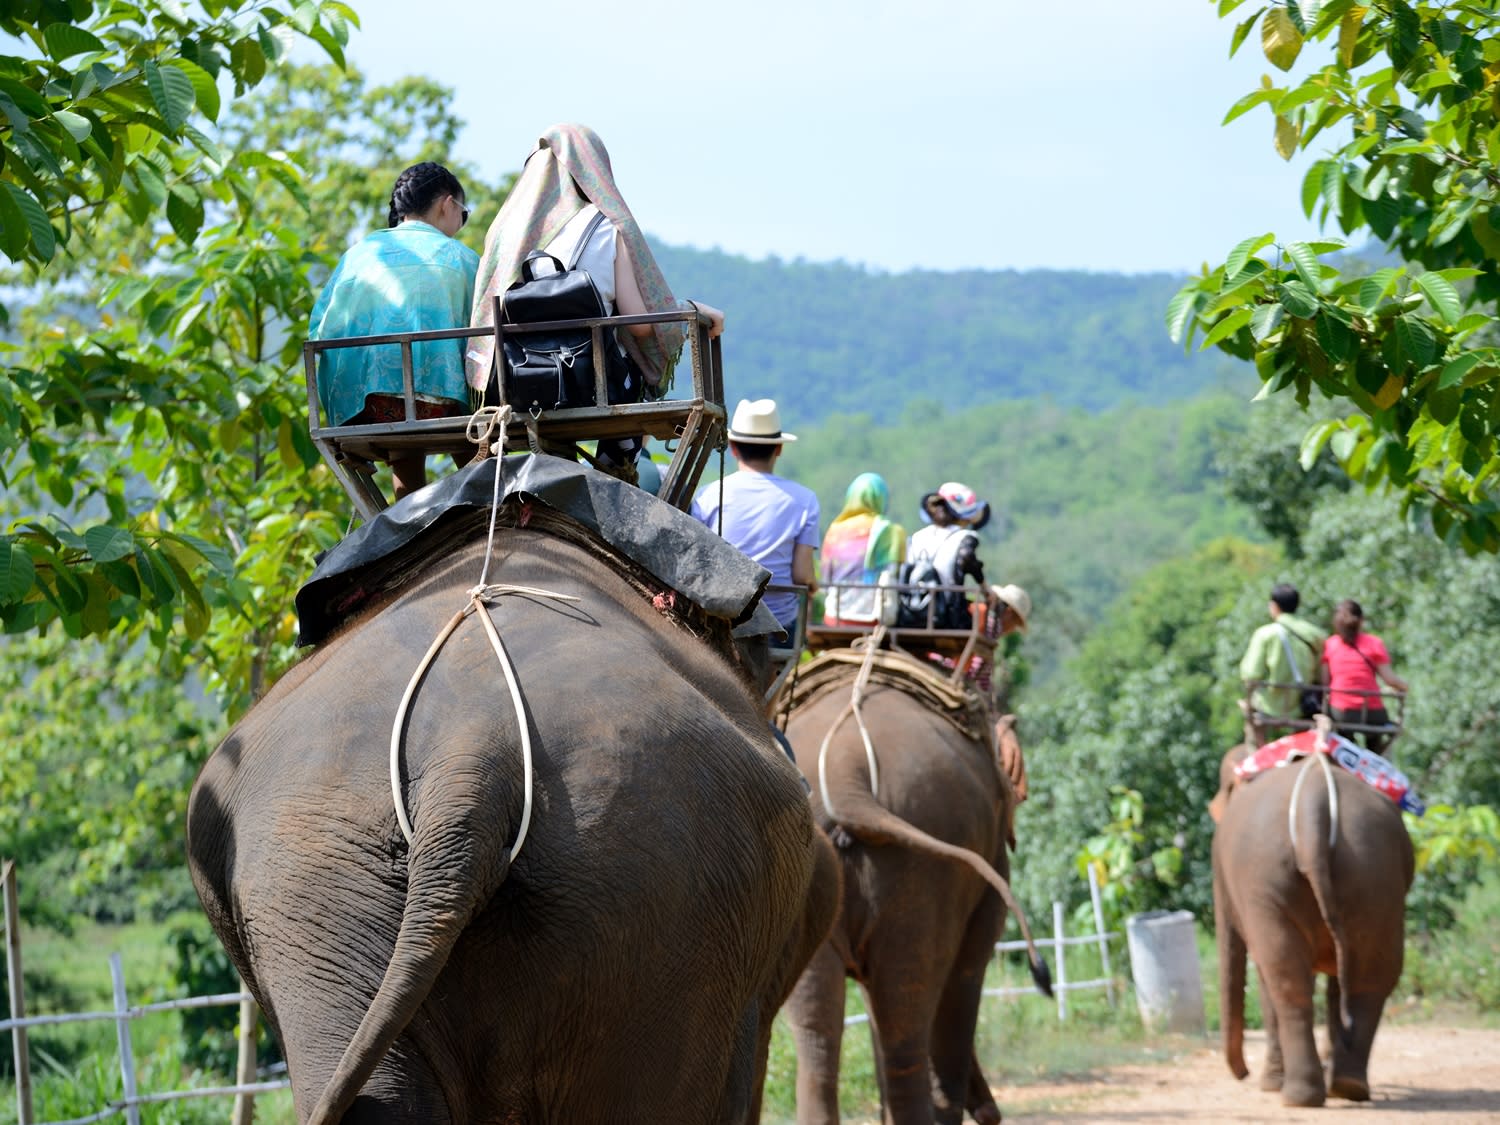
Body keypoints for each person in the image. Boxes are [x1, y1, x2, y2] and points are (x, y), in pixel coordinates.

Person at [465, 123, 724, 469]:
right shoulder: (604, 226)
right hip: (591, 383)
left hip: (520, 385)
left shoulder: (506, 233)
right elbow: (641, 325)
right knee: (626, 372)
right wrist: (689, 309)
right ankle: (615, 463)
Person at [310, 162, 480, 498]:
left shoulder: (359, 255)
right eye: (464, 213)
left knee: (404, 440)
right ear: (447, 204)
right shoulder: (463, 258)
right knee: (468, 431)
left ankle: (408, 523)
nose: (461, 222)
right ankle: (487, 499)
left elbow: (320, 327)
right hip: (444, 401)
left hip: (364, 406)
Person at [691, 399, 819, 646]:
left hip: (723, 618)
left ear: (733, 448)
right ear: (779, 449)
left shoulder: (708, 495)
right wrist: (813, 587)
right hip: (779, 624)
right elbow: (802, 575)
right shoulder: (805, 500)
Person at [1238, 582, 1325, 746]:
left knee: (1249, 714)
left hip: (1271, 705)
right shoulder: (1316, 634)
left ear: (1274, 606)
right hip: (1305, 704)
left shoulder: (1265, 634)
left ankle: (1254, 755)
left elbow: (1250, 674)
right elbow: (1322, 674)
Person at [901, 482, 993, 630]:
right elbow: (968, 559)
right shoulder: (965, 537)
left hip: (909, 613)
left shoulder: (917, 537)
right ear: (963, 517)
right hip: (947, 618)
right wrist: (984, 586)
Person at [1322, 598, 1407, 755]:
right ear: (1361, 621)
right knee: (1377, 740)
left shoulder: (1330, 644)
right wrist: (1405, 686)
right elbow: (1390, 679)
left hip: (1341, 711)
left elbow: (1325, 682)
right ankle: (1374, 759)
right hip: (1372, 710)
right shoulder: (1374, 643)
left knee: (1342, 736)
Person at [821, 472, 906, 627]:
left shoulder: (834, 530)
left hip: (834, 616)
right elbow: (895, 575)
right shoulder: (891, 531)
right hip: (874, 619)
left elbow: (826, 580)